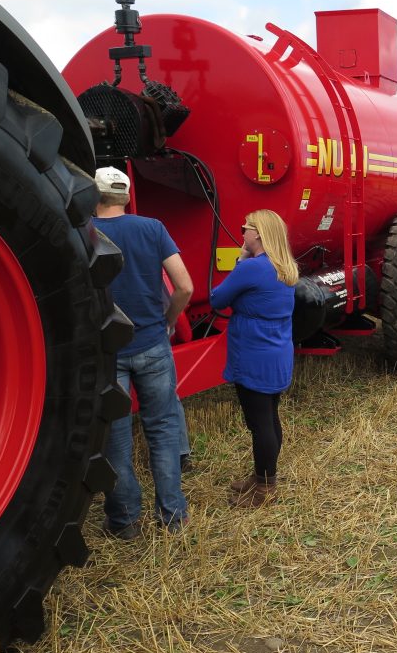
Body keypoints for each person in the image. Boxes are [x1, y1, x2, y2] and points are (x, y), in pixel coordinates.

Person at [93, 166, 192, 539]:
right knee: (164, 429)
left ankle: (123, 521)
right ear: (126, 195)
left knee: (115, 437)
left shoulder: (85, 233)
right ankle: (173, 516)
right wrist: (167, 322)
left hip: (108, 352)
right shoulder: (152, 228)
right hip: (152, 343)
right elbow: (183, 285)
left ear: (95, 195)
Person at [211, 209, 298, 507]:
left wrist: (240, 261)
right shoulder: (283, 266)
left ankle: (264, 489)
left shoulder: (252, 268)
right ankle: (263, 476)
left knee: (259, 423)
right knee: (270, 418)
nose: (241, 232)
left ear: (257, 234)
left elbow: (216, 299)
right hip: (276, 351)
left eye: (245, 228)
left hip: (253, 354)